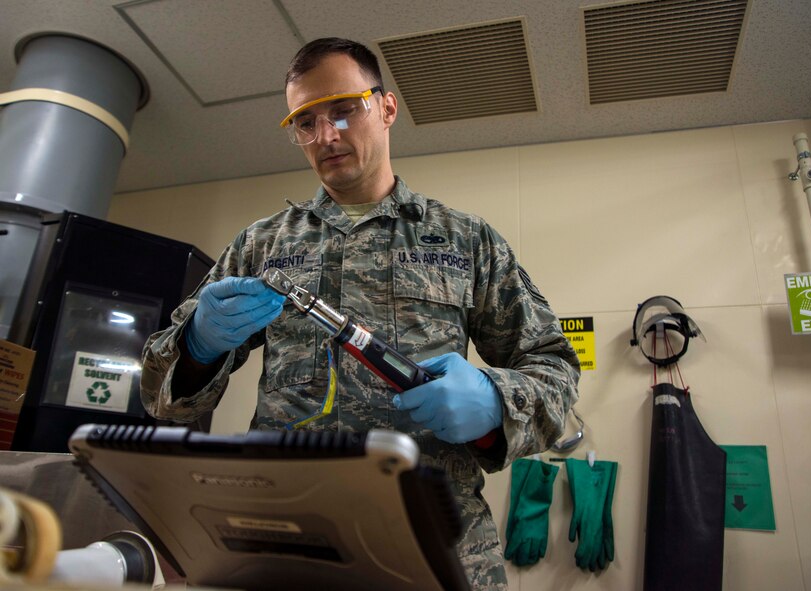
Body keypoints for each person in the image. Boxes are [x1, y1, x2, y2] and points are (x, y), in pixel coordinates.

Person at [140, 37, 580, 589]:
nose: (326, 136)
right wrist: (198, 347)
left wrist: (496, 402)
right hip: (285, 543)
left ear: (387, 107)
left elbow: (556, 372)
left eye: (344, 110)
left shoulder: (467, 241)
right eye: (306, 121)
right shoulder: (260, 246)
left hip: (435, 544)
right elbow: (161, 400)